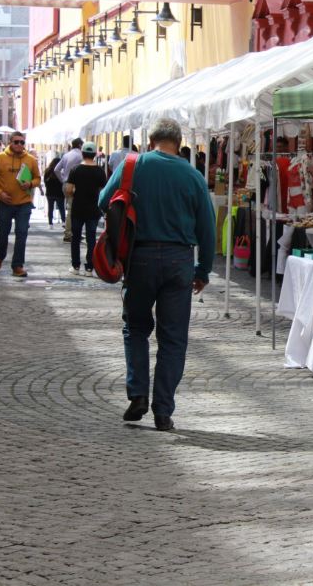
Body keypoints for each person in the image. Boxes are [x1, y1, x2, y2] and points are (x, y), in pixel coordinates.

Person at [100, 118, 216, 432]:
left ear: (151, 140)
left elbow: (103, 202)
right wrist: (203, 270)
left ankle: (137, 393)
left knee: (136, 327)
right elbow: (207, 228)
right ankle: (162, 411)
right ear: (178, 143)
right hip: (179, 261)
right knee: (173, 339)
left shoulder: (131, 166)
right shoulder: (192, 175)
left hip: (140, 256)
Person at [0, 132, 41, 278]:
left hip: (24, 203)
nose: (19, 145)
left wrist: (31, 183)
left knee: (22, 233)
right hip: (5, 203)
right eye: (16, 142)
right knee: (2, 233)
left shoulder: (30, 160)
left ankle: (17, 265)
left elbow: (38, 178)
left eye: (22, 142)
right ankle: (0, 256)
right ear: (10, 142)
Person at [66, 142, 107, 276]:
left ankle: (75, 266)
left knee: (75, 237)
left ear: (82, 153)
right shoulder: (100, 171)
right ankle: (90, 267)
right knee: (91, 239)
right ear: (95, 154)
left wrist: (73, 194)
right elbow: (103, 191)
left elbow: (69, 189)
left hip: (78, 208)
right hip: (93, 209)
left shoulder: (75, 169)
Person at [56, 137, 84, 243]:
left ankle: (72, 232)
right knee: (73, 210)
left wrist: (63, 179)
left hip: (66, 184)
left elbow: (56, 169)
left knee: (70, 208)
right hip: (76, 185)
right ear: (80, 145)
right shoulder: (80, 156)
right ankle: (69, 233)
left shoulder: (66, 155)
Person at [43, 156, 66, 227]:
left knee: (50, 208)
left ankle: (50, 223)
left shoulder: (47, 171)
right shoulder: (61, 172)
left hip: (49, 193)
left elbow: (45, 181)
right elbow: (63, 181)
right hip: (59, 193)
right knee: (61, 208)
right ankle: (63, 222)